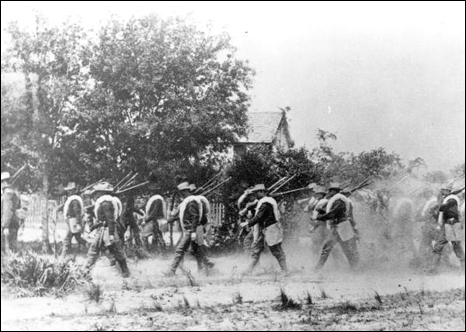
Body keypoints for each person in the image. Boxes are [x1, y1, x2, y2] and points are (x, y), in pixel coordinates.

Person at [240, 184, 289, 276]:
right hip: (263, 229)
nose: (255, 195)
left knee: (276, 250)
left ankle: (285, 270)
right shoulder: (264, 201)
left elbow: (259, 217)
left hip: (271, 229)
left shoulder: (265, 204)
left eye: (257, 192)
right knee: (256, 249)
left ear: (262, 192)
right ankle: (249, 270)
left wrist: (247, 223)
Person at [166, 181, 212, 276]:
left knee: (180, 249)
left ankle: (171, 271)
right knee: (196, 250)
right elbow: (186, 216)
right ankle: (206, 266)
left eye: (181, 193)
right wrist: (172, 219)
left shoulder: (191, 201)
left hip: (190, 230)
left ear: (185, 192)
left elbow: (195, 217)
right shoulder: (189, 201)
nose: (181, 195)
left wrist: (193, 232)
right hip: (191, 229)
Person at [85, 182, 130, 278]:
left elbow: (110, 219)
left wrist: (111, 234)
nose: (95, 195)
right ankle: (87, 271)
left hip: (107, 229)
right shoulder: (107, 202)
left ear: (102, 192)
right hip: (105, 228)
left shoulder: (106, 203)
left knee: (114, 249)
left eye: (97, 192)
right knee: (98, 249)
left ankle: (86, 271)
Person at [314, 183, 359, 270]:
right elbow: (333, 214)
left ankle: (317, 268)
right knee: (345, 248)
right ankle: (354, 266)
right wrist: (322, 213)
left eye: (330, 190)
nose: (329, 192)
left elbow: (333, 214)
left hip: (340, 226)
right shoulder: (337, 199)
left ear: (334, 191)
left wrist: (319, 217)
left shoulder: (339, 200)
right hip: (339, 226)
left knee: (327, 248)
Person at [428, 186, 465, 273]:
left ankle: (433, 269)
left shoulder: (451, 200)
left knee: (440, 247)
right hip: (450, 225)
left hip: (450, 225)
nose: (441, 191)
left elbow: (449, 212)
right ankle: (433, 268)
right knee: (455, 247)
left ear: (448, 191)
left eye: (444, 190)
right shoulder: (450, 199)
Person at [60, 182, 88, 258]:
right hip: (72, 220)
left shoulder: (75, 201)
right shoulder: (72, 199)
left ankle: (63, 256)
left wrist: (78, 223)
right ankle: (88, 247)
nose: (68, 192)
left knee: (67, 239)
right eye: (68, 190)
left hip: (73, 221)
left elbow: (77, 212)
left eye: (70, 190)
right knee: (78, 238)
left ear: (73, 191)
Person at [141, 184, 167, 254]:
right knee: (157, 236)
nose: (150, 193)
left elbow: (154, 212)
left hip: (156, 220)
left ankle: (153, 252)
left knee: (153, 236)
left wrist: (146, 220)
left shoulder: (157, 199)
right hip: (154, 220)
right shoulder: (156, 198)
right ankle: (155, 252)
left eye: (151, 191)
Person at [1, 172, 21, 255]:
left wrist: (5, 226)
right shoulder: (14, 192)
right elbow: (18, 206)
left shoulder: (7, 194)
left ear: (4, 182)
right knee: (12, 249)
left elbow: (7, 211)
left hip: (9, 225)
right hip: (14, 224)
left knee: (6, 251)